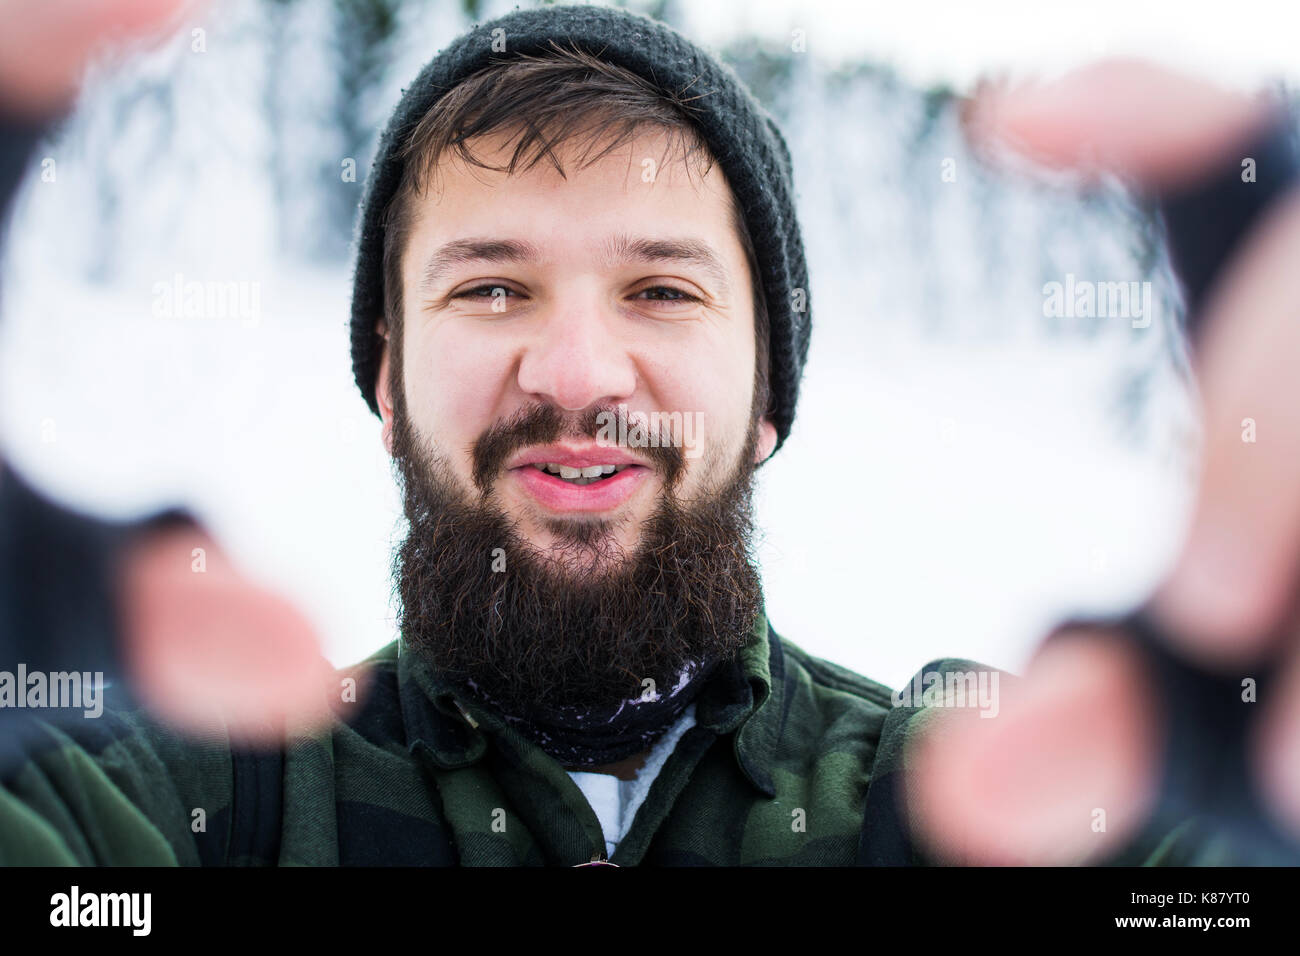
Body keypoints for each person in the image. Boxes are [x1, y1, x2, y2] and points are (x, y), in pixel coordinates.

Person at [2, 2, 1296, 866]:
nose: (573, 366)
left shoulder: (1018, 800)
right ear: (388, 384)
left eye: (662, 290)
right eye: (490, 287)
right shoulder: (161, 812)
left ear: (768, 394)